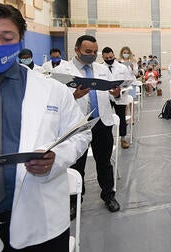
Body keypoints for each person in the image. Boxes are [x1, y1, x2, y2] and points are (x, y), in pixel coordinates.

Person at [0, 1, 91, 252]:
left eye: (6, 38)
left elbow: (79, 135)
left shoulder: (51, 91)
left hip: (41, 224)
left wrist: (56, 159)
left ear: (20, 40)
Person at [53, 35, 123, 217]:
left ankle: (108, 195)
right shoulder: (63, 71)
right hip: (78, 126)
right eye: (87, 52)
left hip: (102, 122)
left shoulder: (102, 69)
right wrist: (74, 95)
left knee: (104, 162)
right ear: (76, 50)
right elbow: (57, 101)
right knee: (77, 164)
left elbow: (110, 94)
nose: (92, 55)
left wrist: (116, 93)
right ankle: (75, 200)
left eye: (94, 52)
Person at [102, 47, 135, 149]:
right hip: (106, 96)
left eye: (111, 57)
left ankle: (123, 139)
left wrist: (121, 90)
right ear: (102, 57)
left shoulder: (122, 68)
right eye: (106, 58)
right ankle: (107, 139)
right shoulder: (100, 68)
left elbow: (129, 81)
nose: (109, 59)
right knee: (105, 118)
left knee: (121, 118)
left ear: (114, 55)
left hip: (120, 96)